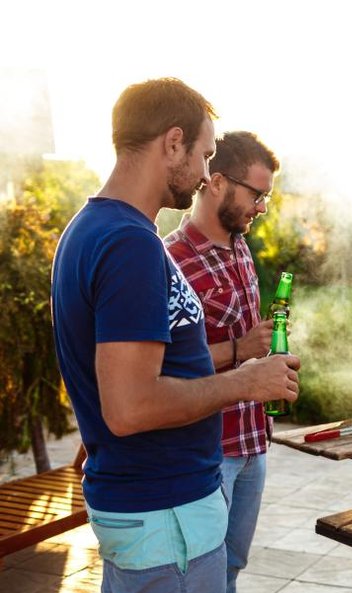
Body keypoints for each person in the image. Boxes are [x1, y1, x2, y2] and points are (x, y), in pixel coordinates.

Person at [50, 78, 300, 593]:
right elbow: (131, 407)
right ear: (172, 143)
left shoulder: (97, 230)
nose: (207, 172)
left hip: (159, 518)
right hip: (166, 519)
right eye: (206, 155)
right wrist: (245, 381)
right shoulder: (128, 244)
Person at [163, 131, 279, 593]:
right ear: (217, 182)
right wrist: (240, 350)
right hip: (210, 450)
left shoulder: (240, 247)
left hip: (253, 442)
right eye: (257, 194)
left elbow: (246, 341)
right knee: (199, 575)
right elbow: (165, 368)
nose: (263, 207)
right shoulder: (171, 258)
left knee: (231, 566)